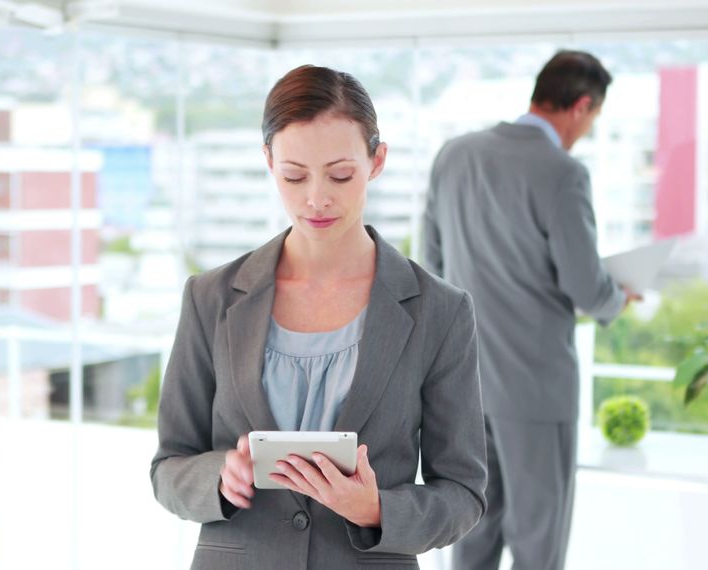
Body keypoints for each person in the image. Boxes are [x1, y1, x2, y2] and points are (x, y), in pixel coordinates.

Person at [150, 64, 488, 569]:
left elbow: (464, 494)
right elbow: (168, 466)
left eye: (340, 174)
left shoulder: (440, 309)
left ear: (377, 161)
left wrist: (377, 509)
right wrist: (220, 476)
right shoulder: (211, 297)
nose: (316, 198)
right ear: (268, 161)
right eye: (294, 175)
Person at [422, 50, 640, 570]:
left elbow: (431, 265)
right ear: (581, 106)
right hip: (537, 389)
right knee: (539, 545)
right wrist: (619, 297)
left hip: (465, 386)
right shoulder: (562, 173)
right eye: (591, 120)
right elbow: (586, 287)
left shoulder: (453, 155)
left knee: (470, 536)